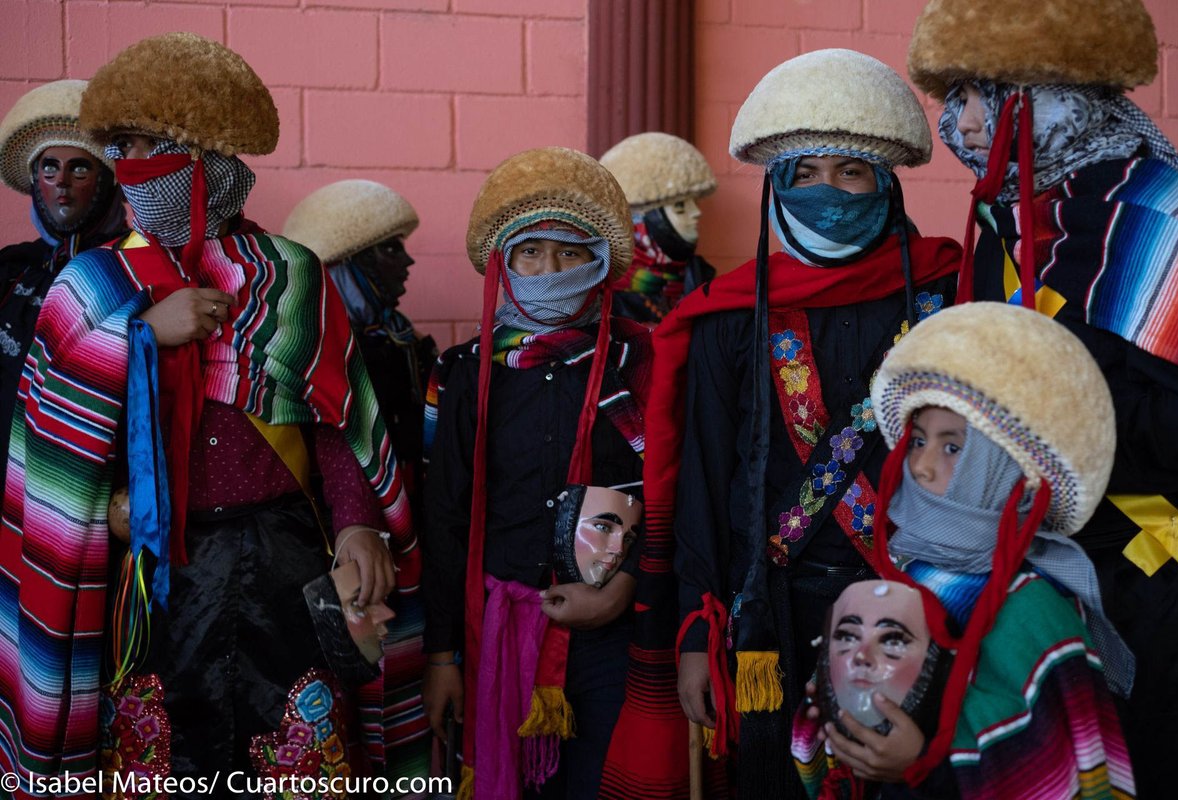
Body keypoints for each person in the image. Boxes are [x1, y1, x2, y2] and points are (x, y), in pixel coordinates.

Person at [0, 33, 421, 795]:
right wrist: (138, 337)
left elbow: (337, 423)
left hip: (286, 570)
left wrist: (359, 520)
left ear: (215, 161)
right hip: (155, 573)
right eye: (123, 147)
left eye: (153, 147)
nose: (131, 166)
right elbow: (50, 437)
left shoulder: (291, 274)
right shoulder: (91, 285)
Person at [599, 49, 962, 799]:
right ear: (776, 186)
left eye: (850, 171)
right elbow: (696, 480)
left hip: (920, 601)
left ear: (886, 182)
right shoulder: (725, 319)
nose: (827, 190)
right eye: (804, 173)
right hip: (773, 610)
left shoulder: (947, 297)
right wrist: (698, 631)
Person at [908, 1, 1178, 794]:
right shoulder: (1005, 224)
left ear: (1059, 95)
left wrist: (1062, 416)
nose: (963, 124)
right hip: (1048, 582)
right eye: (954, 97)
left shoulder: (1162, 218)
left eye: (987, 94)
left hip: (1163, 586)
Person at [794, 302, 1135, 799]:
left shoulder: (1035, 611)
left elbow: (1066, 775)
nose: (923, 467)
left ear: (1005, 466)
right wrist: (835, 709)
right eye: (917, 441)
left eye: (953, 447)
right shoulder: (902, 578)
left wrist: (927, 762)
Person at [420, 146, 651, 799]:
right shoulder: (462, 374)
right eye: (530, 253)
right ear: (505, 263)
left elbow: (676, 494)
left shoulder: (644, 360)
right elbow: (446, 517)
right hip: (497, 633)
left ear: (599, 262)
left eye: (570, 253)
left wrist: (621, 589)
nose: (549, 269)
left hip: (618, 637)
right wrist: (442, 657)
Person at [0, 79, 126, 487]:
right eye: (49, 167)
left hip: (91, 486)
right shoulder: (13, 268)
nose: (62, 183)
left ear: (107, 181)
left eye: (80, 168)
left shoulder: (134, 269)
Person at [283, 179, 437, 511]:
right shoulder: (313, 351)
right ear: (347, 266)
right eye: (391, 249)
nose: (408, 263)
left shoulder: (403, 338)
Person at [599, 132, 717, 327]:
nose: (697, 213)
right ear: (640, 223)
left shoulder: (702, 282)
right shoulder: (603, 299)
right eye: (680, 206)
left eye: (695, 203)